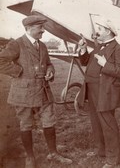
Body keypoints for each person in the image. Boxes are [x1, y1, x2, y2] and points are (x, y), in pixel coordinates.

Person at [0, 15, 73, 168]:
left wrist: (50, 71)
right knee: (26, 124)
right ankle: (30, 157)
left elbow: (48, 64)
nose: (43, 31)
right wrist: (18, 71)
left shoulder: (43, 46)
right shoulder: (16, 44)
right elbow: (1, 61)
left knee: (49, 121)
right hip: (23, 93)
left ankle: (53, 153)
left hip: (43, 91)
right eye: (40, 28)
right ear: (29, 28)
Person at [77, 16, 120, 168]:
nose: (97, 32)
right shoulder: (100, 47)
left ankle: (113, 158)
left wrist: (105, 64)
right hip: (92, 89)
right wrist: (84, 49)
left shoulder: (118, 49)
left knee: (107, 124)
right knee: (96, 121)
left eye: (99, 29)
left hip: (105, 92)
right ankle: (102, 151)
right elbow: (86, 62)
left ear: (107, 31)